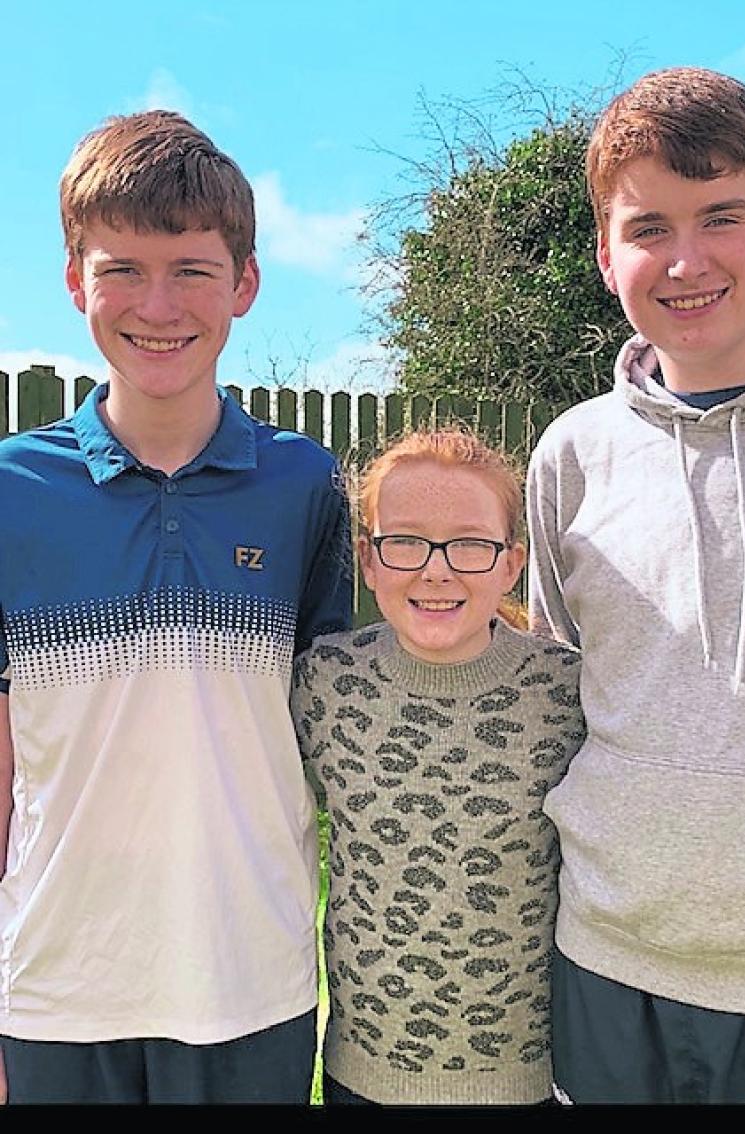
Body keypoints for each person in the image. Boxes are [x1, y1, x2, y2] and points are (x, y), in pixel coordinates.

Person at [0, 109, 353, 1105]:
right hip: (54, 990)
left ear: (244, 283)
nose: (158, 305)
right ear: (76, 281)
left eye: (192, 269)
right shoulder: (11, 491)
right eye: (122, 269)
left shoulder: (306, 487)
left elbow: (321, 728)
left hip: (252, 982)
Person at [526, 65, 745, 1105]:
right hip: (609, 958)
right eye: (647, 227)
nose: (685, 260)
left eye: (720, 216)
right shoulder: (570, 455)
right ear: (604, 254)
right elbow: (563, 686)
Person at [291, 427, 585, 1106]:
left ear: (511, 564)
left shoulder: (566, 694)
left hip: (525, 1083)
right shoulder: (325, 685)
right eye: (405, 541)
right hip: (362, 1075)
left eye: (469, 544)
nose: (436, 570)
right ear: (367, 560)